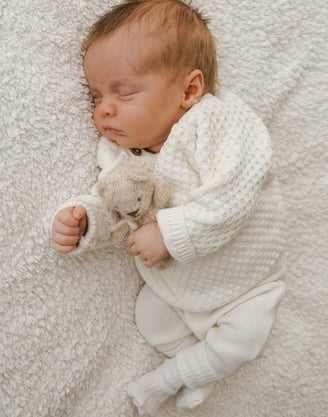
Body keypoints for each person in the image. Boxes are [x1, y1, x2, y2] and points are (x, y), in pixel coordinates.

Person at [51, 0, 286, 415]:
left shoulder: (217, 122)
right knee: (151, 319)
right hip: (179, 288)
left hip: (249, 280)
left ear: (189, 90)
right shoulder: (119, 152)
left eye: (124, 92)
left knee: (244, 338)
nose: (104, 109)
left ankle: (172, 379)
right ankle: (197, 364)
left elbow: (235, 192)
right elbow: (118, 203)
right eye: (96, 95)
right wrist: (86, 220)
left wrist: (170, 233)